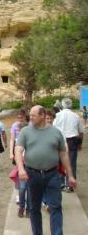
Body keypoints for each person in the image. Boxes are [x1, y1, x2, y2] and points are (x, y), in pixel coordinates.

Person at [15, 105, 76, 235]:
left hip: (52, 175)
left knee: (55, 207)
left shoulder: (56, 132)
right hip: (32, 175)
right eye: (30, 115)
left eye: (33, 115)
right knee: (34, 208)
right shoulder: (25, 131)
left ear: (42, 115)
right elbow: (18, 150)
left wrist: (70, 175)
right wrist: (21, 169)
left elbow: (63, 155)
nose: (30, 117)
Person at [53, 98, 84, 192]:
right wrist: (80, 143)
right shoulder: (76, 116)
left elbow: (53, 127)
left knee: (59, 161)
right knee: (71, 162)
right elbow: (81, 132)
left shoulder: (57, 115)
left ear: (62, 105)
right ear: (71, 105)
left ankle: (60, 182)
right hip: (72, 140)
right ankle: (70, 185)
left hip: (59, 140)